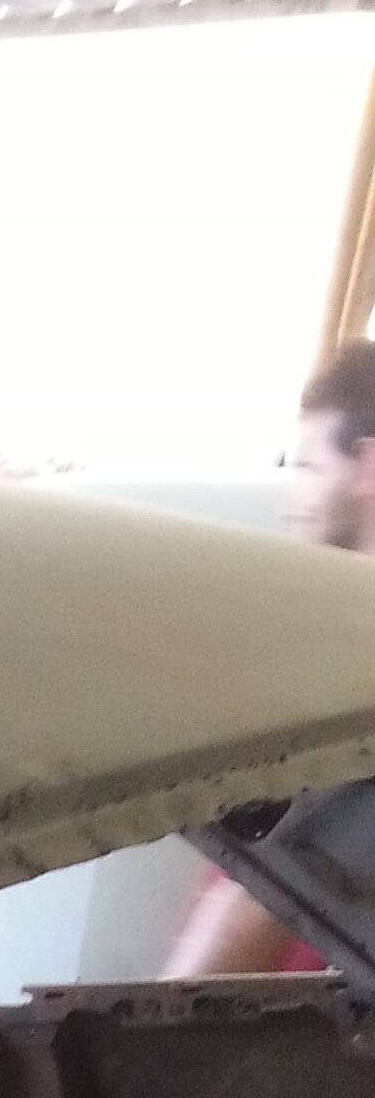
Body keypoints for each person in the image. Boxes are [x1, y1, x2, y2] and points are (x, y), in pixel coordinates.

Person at [163, 336, 375, 978]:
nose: (292, 499)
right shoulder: (330, 648)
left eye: (309, 467)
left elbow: (262, 904)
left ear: (368, 466)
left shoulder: (354, 667)